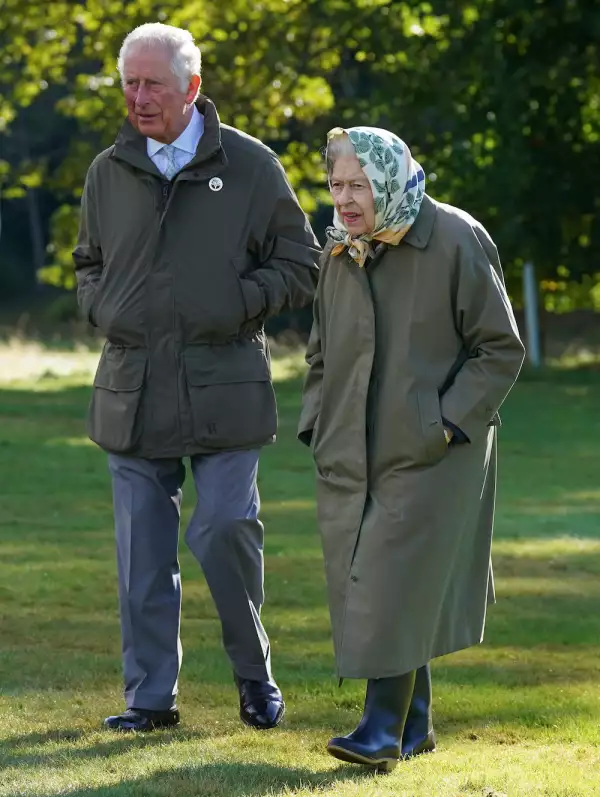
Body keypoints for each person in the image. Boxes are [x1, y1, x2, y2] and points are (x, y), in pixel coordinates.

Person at [73, 22, 320, 733]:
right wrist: (104, 306)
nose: (139, 97)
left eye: (153, 83)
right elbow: (88, 264)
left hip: (225, 386)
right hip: (132, 389)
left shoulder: (250, 165)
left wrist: (235, 301)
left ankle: (255, 677)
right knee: (143, 558)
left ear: (192, 87)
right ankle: (150, 700)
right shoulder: (107, 170)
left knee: (225, 528)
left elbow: (301, 262)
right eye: (130, 83)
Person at [298, 126, 525, 771]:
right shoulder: (338, 252)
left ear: (389, 180)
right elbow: (320, 352)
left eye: (359, 185)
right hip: (350, 448)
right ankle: (414, 725)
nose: (344, 199)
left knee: (390, 580)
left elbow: (499, 349)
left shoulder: (455, 237)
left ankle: (379, 731)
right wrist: (317, 422)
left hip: (433, 452)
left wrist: (444, 424)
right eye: (336, 185)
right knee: (386, 580)